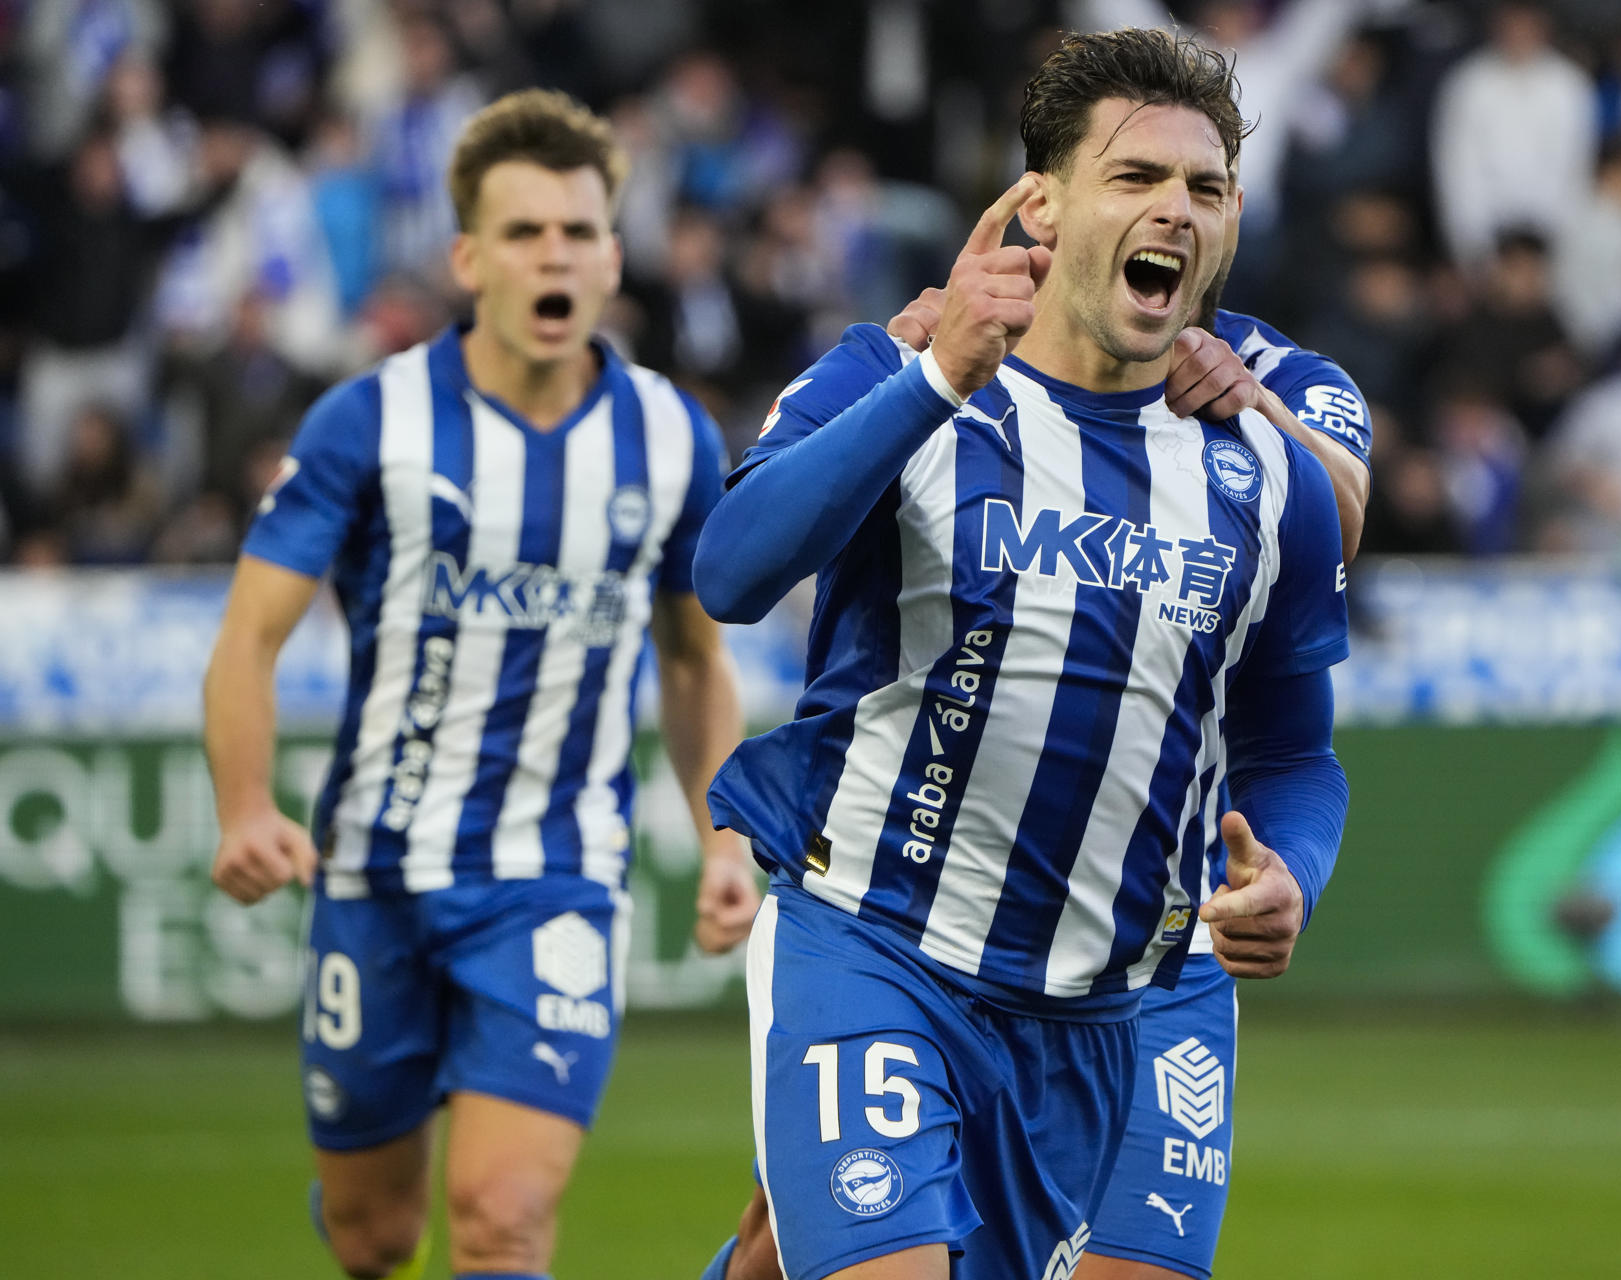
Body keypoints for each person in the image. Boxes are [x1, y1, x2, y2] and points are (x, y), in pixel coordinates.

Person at [691, 29, 1351, 1280]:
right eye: (1136, 177)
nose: (1174, 209)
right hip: (878, 942)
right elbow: (729, 573)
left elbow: (1295, 748)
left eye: (1204, 189)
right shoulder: (895, 374)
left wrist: (1295, 875)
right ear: (1041, 205)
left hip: (1131, 995)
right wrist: (937, 375)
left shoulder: (1268, 476)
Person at [202, 89, 759, 1280]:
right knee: (377, 1233)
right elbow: (250, 635)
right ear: (468, 257)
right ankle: (358, 1208)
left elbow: (694, 656)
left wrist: (726, 833)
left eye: (576, 230)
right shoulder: (372, 421)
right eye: (522, 233)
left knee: (501, 1219)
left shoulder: (670, 438)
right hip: (377, 876)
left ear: (613, 254)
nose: (552, 254)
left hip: (555, 881)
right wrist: (246, 807)